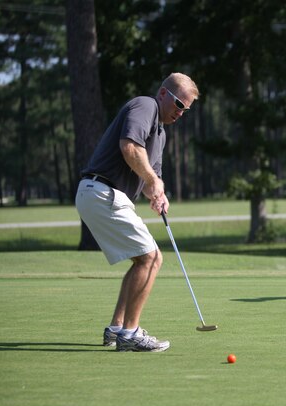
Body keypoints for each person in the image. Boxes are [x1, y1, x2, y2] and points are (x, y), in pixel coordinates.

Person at [76, 73, 199, 351]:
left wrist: (157, 194)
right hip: (102, 191)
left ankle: (118, 327)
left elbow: (147, 178)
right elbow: (129, 147)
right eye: (179, 104)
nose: (181, 112)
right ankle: (130, 335)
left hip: (102, 194)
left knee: (142, 259)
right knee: (152, 258)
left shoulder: (161, 133)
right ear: (164, 93)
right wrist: (153, 181)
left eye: (186, 109)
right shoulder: (146, 106)